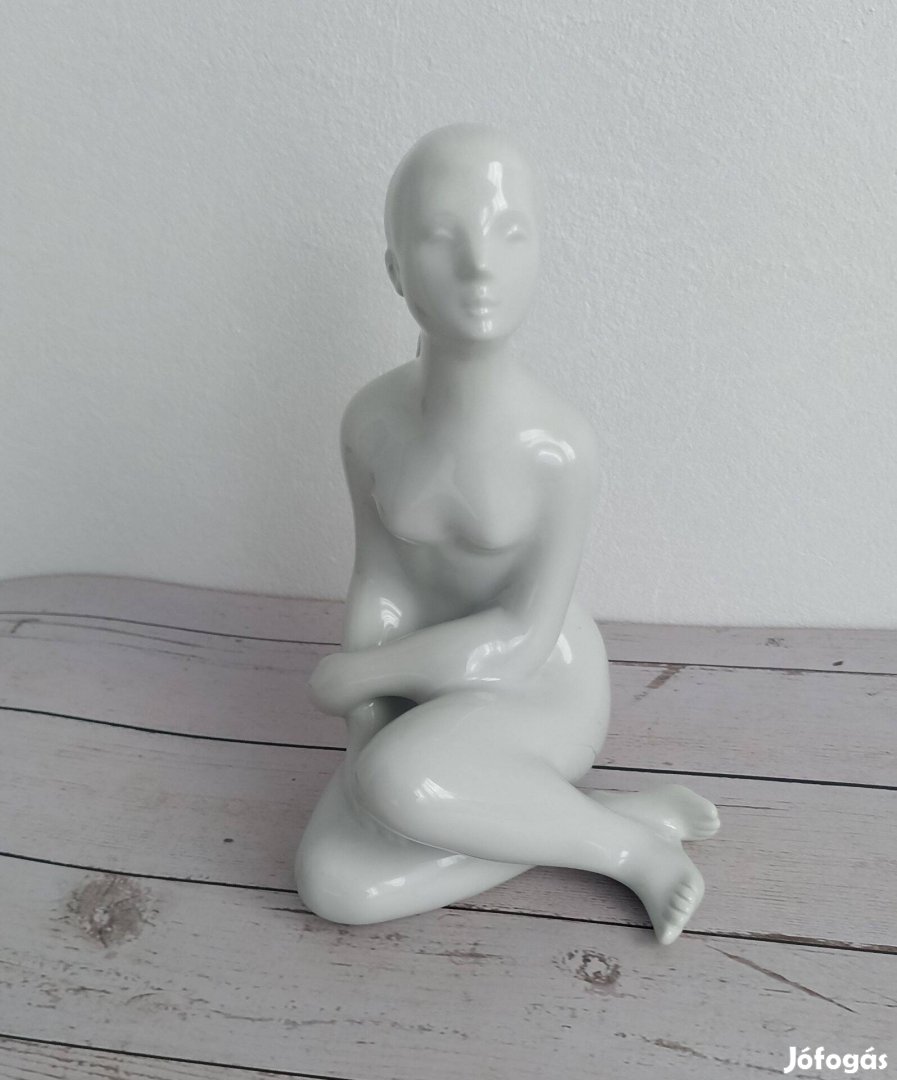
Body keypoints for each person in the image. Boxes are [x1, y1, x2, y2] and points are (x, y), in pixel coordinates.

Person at [296, 124, 719, 944]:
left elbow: (522, 635)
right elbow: (380, 584)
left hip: (537, 683)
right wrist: (364, 730)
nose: (479, 264)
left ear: (538, 256)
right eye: (439, 236)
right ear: (395, 269)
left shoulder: (560, 447)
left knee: (402, 784)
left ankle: (630, 854)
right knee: (333, 883)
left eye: (508, 232)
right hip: (422, 695)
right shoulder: (370, 421)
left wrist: (362, 677)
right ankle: (586, 819)